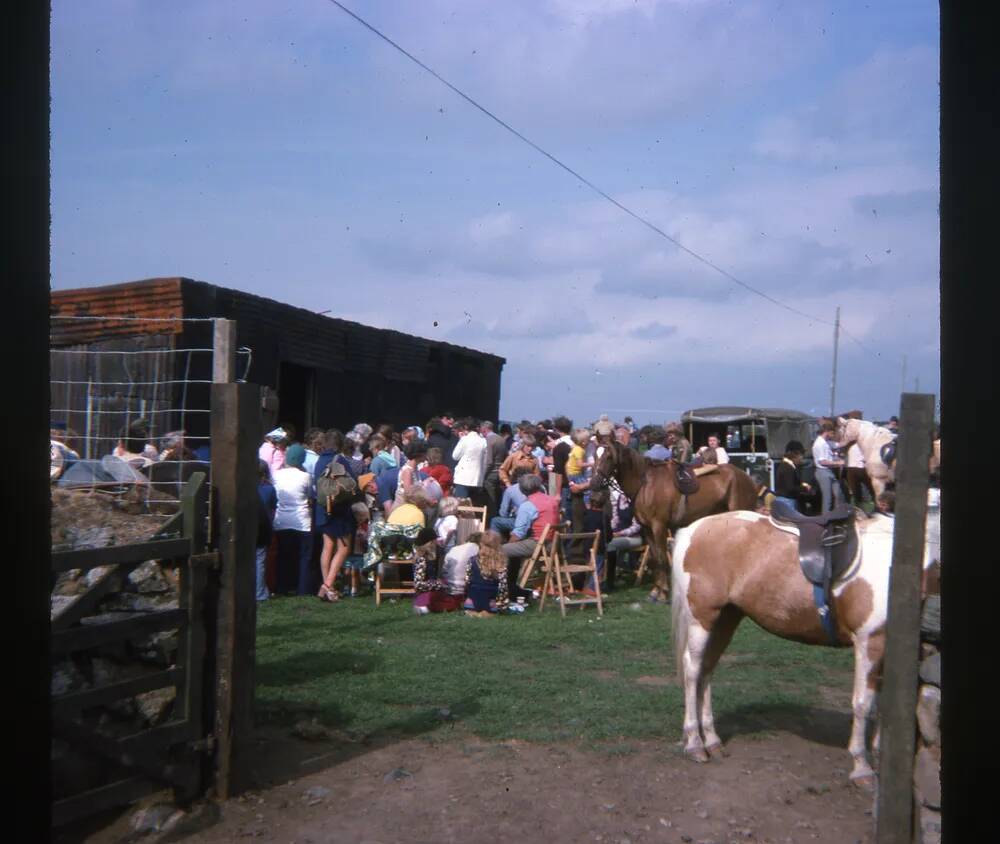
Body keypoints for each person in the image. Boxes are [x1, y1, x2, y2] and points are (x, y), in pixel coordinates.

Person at [314, 430, 357, 602]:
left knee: (327, 546)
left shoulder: (319, 461)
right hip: (339, 510)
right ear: (339, 444)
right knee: (344, 548)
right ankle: (327, 585)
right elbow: (352, 482)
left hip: (322, 507)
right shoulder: (340, 460)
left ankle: (329, 588)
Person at [501, 474, 561, 588]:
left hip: (541, 544)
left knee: (502, 549)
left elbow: (518, 534)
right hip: (555, 543)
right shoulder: (551, 500)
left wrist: (509, 543)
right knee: (515, 548)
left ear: (522, 489)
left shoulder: (528, 506)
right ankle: (513, 581)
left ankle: (505, 583)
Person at [272, 443, 314, 596]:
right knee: (304, 557)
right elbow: (310, 495)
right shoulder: (306, 476)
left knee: (284, 556)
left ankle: (282, 587)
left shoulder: (277, 475)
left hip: (282, 520)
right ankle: (303, 589)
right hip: (302, 521)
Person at [464, 531, 511, 616]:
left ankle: (474, 611)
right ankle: (486, 612)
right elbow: (503, 587)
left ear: (480, 544)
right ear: (498, 545)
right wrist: (503, 605)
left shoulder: (472, 560)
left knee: (472, 600)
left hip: (472, 599)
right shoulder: (501, 563)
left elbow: (467, 580)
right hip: (491, 599)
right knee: (493, 605)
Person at [604, 492, 643, 591]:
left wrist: (620, 533)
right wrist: (610, 530)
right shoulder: (620, 499)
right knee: (604, 541)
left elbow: (636, 527)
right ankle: (607, 575)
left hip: (635, 537)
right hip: (620, 534)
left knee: (611, 545)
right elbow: (615, 519)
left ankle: (610, 581)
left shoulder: (635, 502)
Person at [812, 422, 846, 512]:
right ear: (827, 432)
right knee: (828, 498)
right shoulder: (819, 444)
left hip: (829, 471)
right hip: (823, 472)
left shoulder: (827, 442)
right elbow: (822, 461)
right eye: (832, 433)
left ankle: (838, 516)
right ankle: (825, 520)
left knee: (839, 494)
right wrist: (838, 463)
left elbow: (839, 444)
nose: (833, 435)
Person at [451, 417, 487, 501]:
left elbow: (455, 456)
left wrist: (460, 439)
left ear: (466, 427)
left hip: (463, 478)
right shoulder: (483, 441)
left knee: (461, 506)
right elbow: (485, 461)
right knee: (474, 507)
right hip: (477, 479)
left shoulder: (465, 439)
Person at [256, 459, 277, 602]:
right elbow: (273, 510)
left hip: (246, 527)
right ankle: (259, 593)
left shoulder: (243, 487)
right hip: (264, 527)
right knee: (259, 561)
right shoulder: (269, 489)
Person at [490, 466, 531, 535]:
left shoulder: (511, 489)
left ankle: (493, 544)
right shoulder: (541, 487)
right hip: (538, 521)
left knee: (495, 521)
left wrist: (509, 514)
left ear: (517, 477)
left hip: (521, 521)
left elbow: (503, 512)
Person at [773, 440, 812, 513]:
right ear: (794, 455)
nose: (802, 457)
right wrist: (805, 488)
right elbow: (790, 488)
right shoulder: (787, 468)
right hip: (787, 501)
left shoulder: (787, 465)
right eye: (801, 454)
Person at [480, 421, 507, 520]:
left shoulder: (489, 440)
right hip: (499, 472)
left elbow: (489, 461)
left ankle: (491, 521)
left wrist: (483, 476)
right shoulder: (501, 439)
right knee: (497, 497)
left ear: (484, 430)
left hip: (490, 473)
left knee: (490, 499)